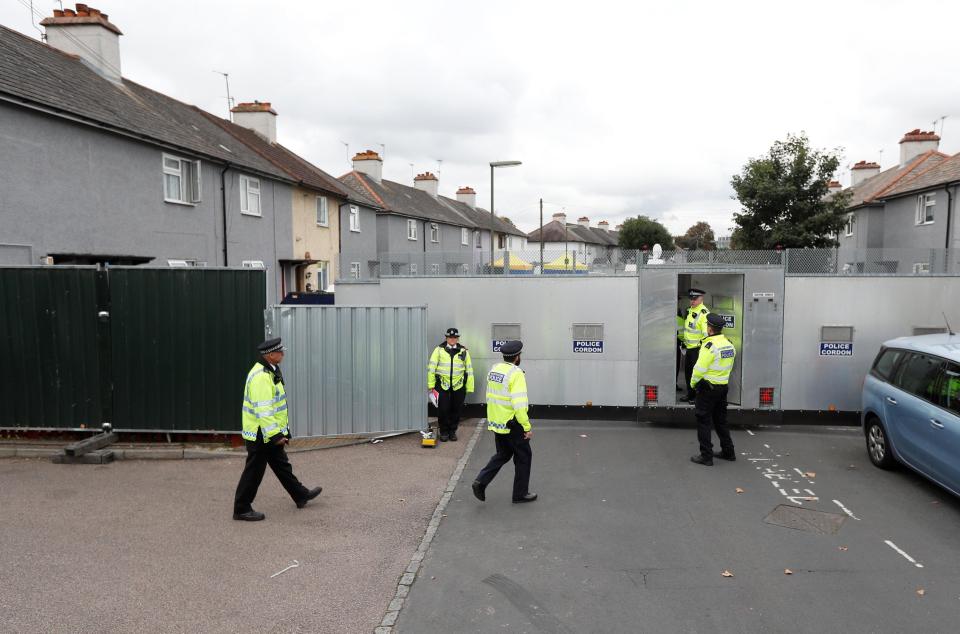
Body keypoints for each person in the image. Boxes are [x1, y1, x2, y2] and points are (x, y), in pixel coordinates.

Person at [233, 337, 322, 521]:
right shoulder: (261, 377)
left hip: (267, 432)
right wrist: (275, 436)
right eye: (280, 352)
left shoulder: (270, 371)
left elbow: (277, 407)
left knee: (281, 465)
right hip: (261, 433)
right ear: (270, 355)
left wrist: (283, 432)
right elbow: (264, 410)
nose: (283, 353)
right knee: (254, 472)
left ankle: (300, 495)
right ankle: (241, 509)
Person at [471, 340, 537, 503]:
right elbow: (519, 404)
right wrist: (526, 427)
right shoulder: (516, 374)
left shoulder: (495, 370)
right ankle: (520, 494)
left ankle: (481, 481)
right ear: (517, 357)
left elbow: (492, 397)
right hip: (513, 424)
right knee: (524, 457)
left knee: (503, 454)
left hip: (497, 423)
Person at [689, 314, 737, 466]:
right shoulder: (728, 344)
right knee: (721, 421)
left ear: (709, 329)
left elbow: (698, 369)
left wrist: (692, 384)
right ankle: (729, 452)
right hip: (723, 388)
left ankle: (706, 456)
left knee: (704, 421)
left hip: (708, 389)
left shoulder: (709, 346)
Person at [427, 327, 474, 442]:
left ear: (457, 339)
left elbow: (469, 369)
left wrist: (469, 386)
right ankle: (443, 432)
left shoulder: (463, 351)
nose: (452, 339)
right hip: (442, 384)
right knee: (443, 409)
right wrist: (431, 384)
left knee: (456, 409)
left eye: (454, 337)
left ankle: (452, 431)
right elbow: (431, 367)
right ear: (446, 338)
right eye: (450, 337)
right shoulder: (438, 350)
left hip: (458, 385)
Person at [681, 288, 711, 402]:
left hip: (698, 350)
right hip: (689, 348)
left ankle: (698, 397)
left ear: (701, 298)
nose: (692, 301)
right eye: (691, 299)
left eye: (695, 299)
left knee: (698, 374)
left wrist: (702, 350)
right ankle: (690, 394)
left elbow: (705, 334)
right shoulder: (690, 310)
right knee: (688, 373)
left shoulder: (704, 313)